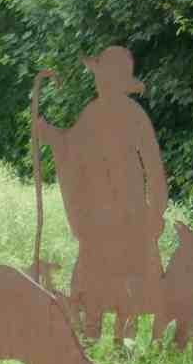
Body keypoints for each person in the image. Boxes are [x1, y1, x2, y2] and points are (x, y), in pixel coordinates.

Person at [33, 46, 168, 342]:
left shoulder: (135, 116)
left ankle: (125, 343)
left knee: (128, 278)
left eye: (106, 78)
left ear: (117, 82)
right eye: (100, 77)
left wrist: (156, 211)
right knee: (93, 279)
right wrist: (50, 134)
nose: (100, 83)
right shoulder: (92, 113)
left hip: (130, 214)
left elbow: (154, 168)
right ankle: (90, 340)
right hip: (100, 214)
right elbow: (72, 148)